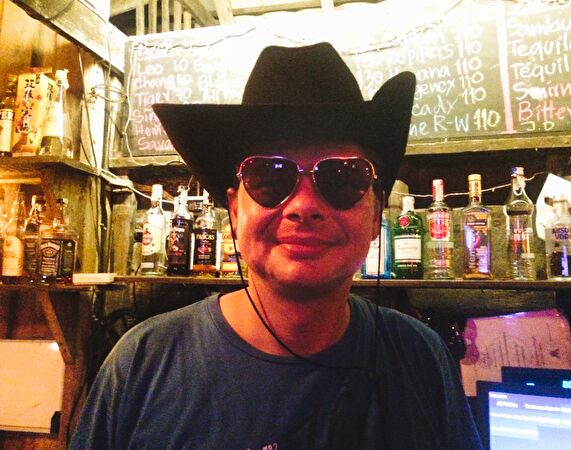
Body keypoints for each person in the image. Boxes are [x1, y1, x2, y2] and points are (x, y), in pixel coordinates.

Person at [71, 43, 482, 449]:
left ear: (376, 214)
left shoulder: (422, 359)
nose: (303, 207)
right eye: (269, 176)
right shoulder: (141, 365)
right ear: (235, 211)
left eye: (342, 177)